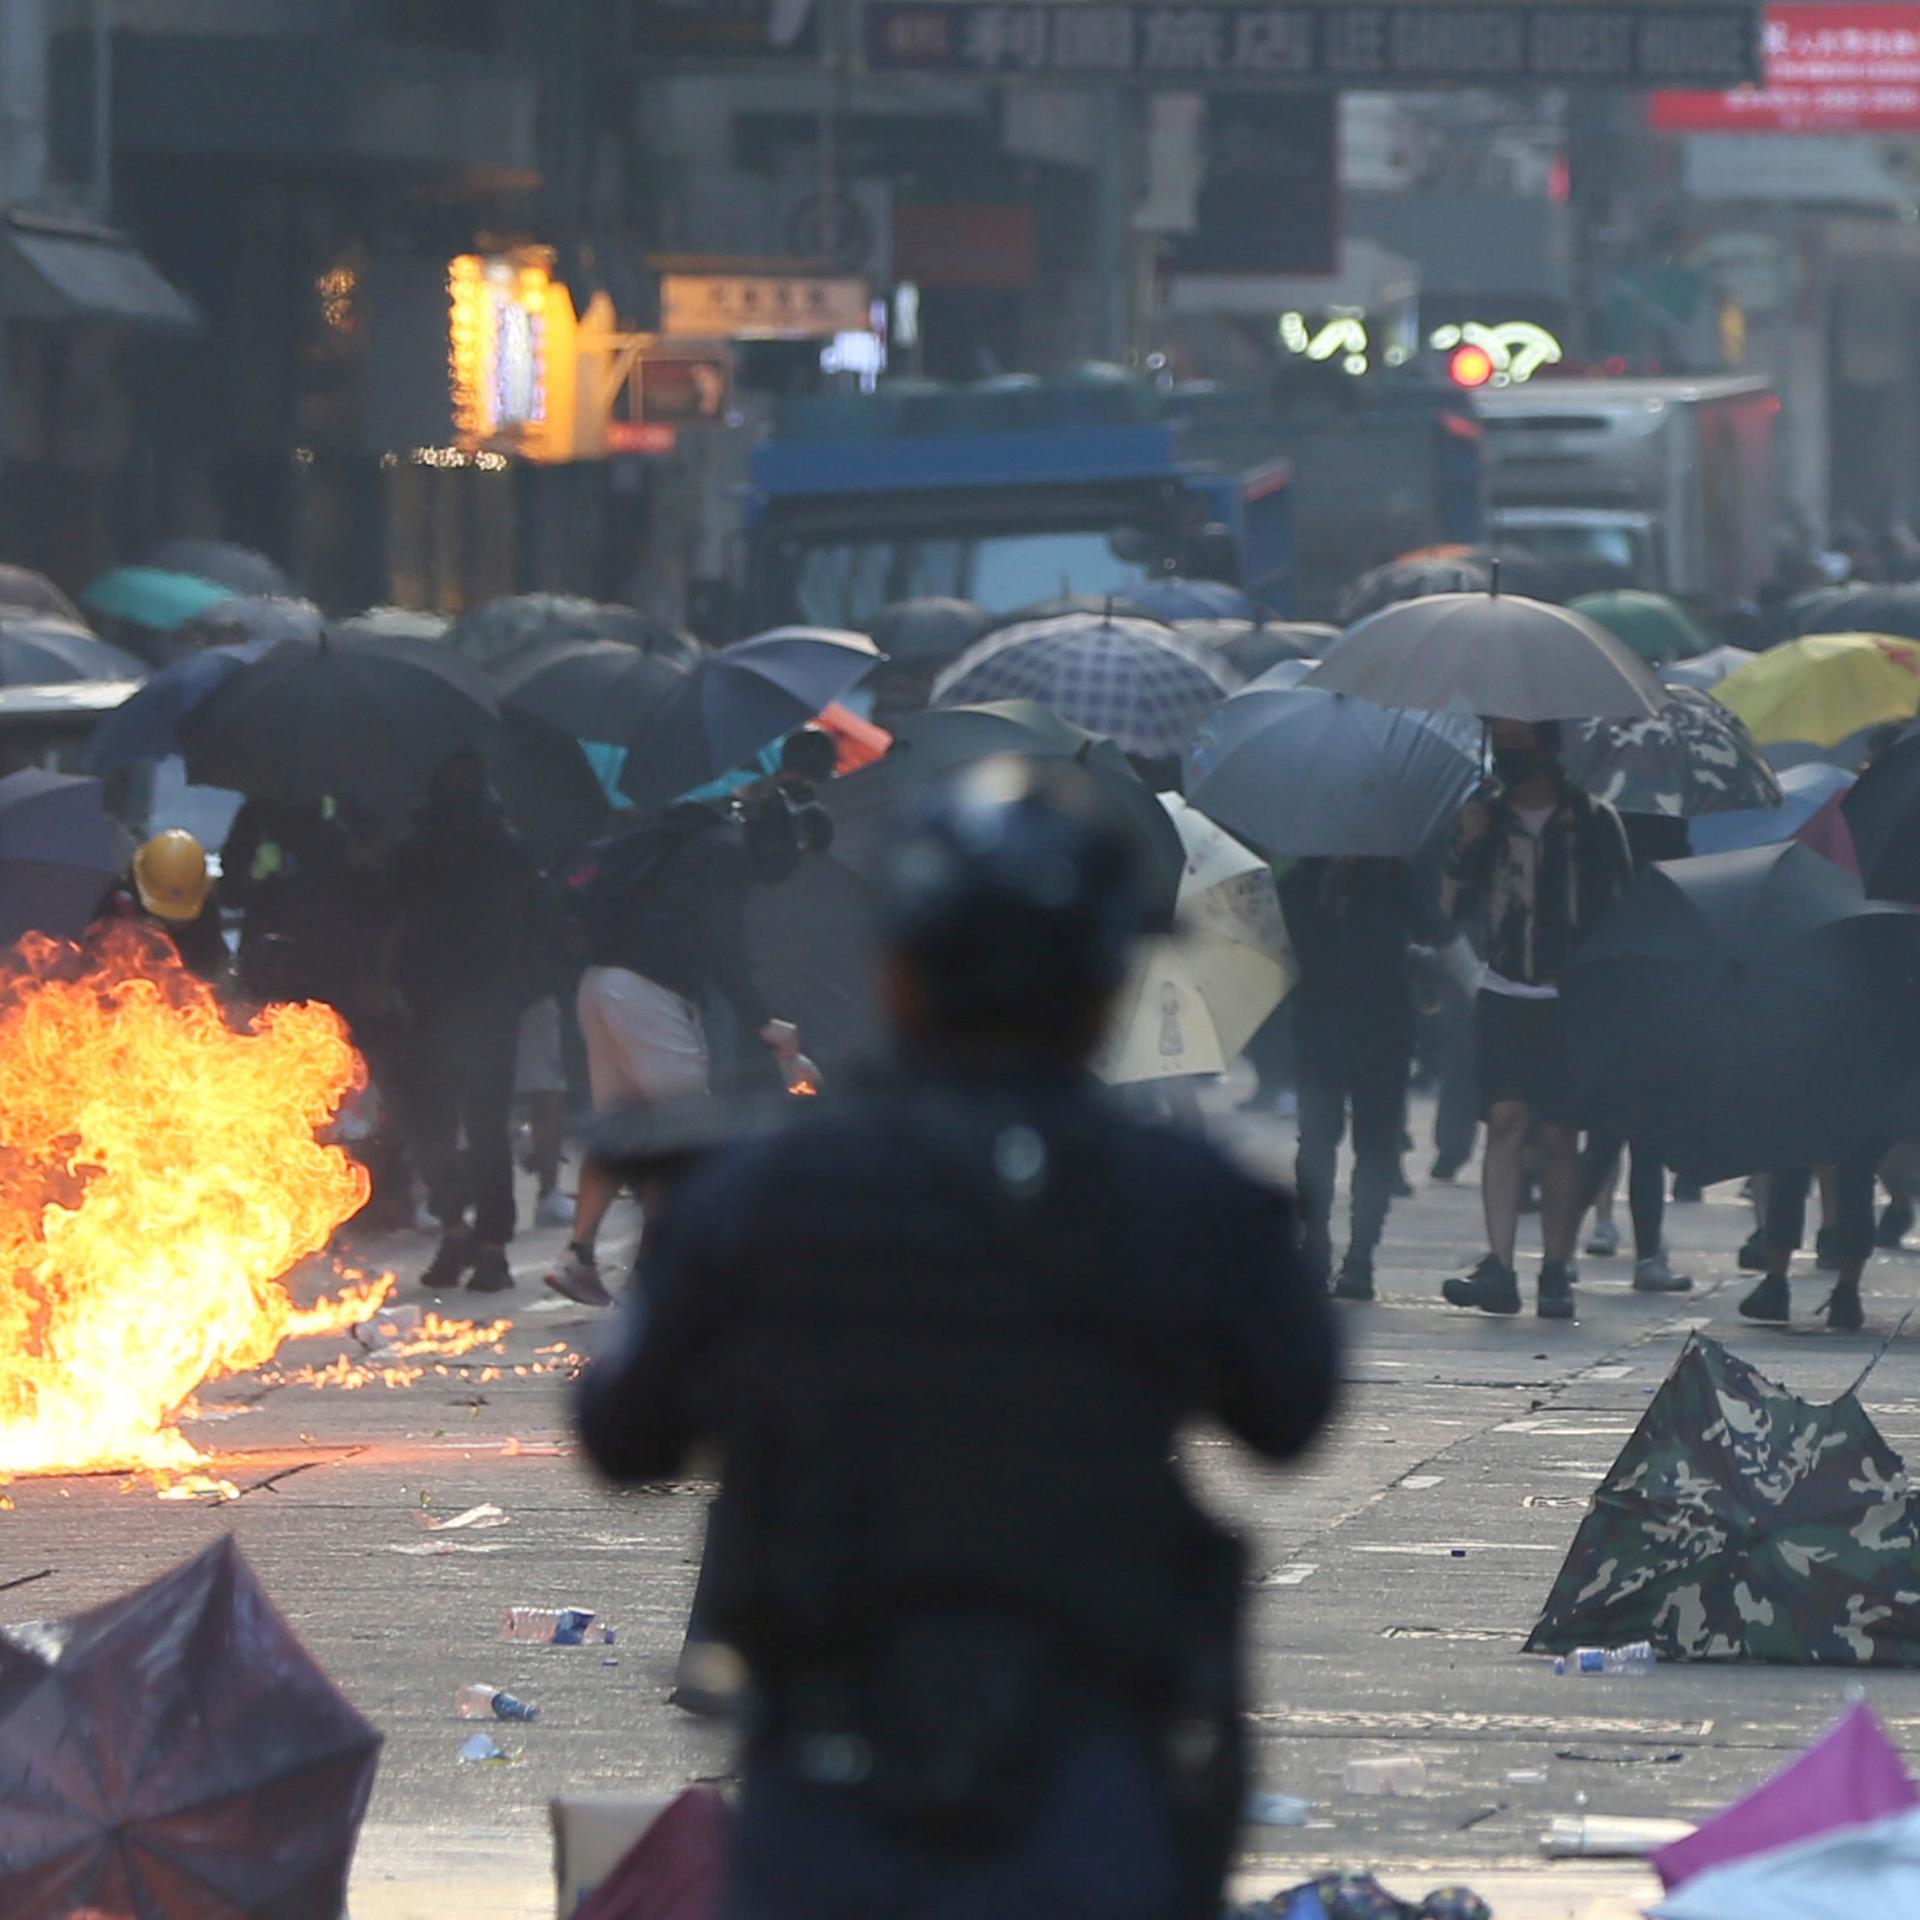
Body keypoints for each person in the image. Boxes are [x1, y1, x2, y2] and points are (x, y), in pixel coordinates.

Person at [575, 757, 1338, 1920]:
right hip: (1088, 1751)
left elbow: (624, 1432)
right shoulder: (1179, 1200)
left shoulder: (773, 1193)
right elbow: (1291, 1412)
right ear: (1103, 988)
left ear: (900, 976)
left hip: (837, 1761)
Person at [548, 793, 813, 1307]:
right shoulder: (726, 851)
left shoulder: (689, 841)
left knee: (621, 1130)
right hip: (648, 996)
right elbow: (722, 947)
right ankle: (655, 1279)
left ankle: (577, 1255)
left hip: (601, 985)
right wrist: (764, 1022)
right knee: (686, 1143)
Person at [1438, 720, 1634, 1322]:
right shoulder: (1485, 820)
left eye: (1520, 745)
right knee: (1504, 1120)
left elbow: (1624, 912)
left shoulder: (1594, 823)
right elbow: (1445, 913)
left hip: (1569, 1003)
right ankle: (1499, 1265)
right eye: (1502, 745)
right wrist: (1464, 843)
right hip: (1502, 993)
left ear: (1549, 749)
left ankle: (1555, 1266)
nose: (1509, 757)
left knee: (1557, 1137)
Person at [387, 752, 545, 1297]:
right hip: (463, 1005)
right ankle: (471, 1239)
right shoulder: (503, 846)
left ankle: (478, 1241)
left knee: (457, 1127)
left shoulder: (435, 848)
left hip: (458, 1003)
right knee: (466, 1129)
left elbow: (382, 908)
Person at [1279, 856, 1439, 1301]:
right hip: (1319, 1024)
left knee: (1374, 1144)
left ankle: (1362, 1254)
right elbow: (1280, 946)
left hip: (1381, 1028)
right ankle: (1316, 1241)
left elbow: (1430, 929)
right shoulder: (1304, 878)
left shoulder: (1392, 872)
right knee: (1316, 1139)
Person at [95, 829, 228, 981]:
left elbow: (212, 967)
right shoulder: (118, 903)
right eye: (164, 916)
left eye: (181, 918)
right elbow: (94, 967)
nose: (173, 922)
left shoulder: (203, 903)